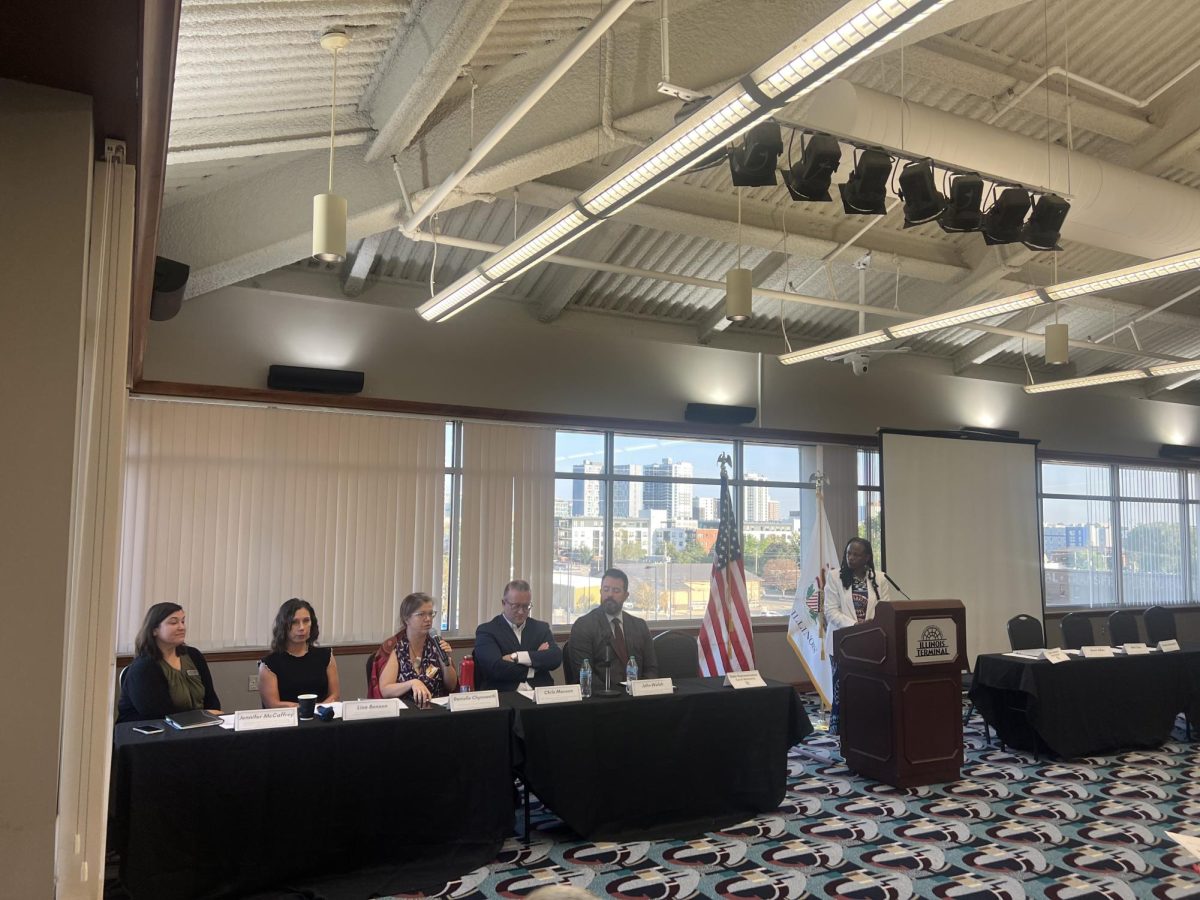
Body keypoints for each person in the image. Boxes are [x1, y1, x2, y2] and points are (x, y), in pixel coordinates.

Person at [824, 537, 892, 734]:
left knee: (869, 689)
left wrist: (873, 624)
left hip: (871, 643)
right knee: (844, 689)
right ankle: (843, 731)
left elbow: (885, 608)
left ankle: (868, 729)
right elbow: (830, 611)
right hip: (843, 642)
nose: (851, 558)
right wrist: (855, 625)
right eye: (848, 553)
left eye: (856, 554)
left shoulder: (880, 578)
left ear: (867, 558)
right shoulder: (835, 577)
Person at [116, 602, 221, 723]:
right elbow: (157, 714)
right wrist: (203, 716)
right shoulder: (143, 667)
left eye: (183, 621)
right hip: (153, 730)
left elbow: (211, 700)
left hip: (198, 726)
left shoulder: (194, 655)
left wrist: (210, 718)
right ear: (154, 630)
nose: (182, 627)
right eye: (173, 622)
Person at [568, 567, 657, 681]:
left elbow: (651, 669)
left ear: (626, 596)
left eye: (616, 591)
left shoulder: (639, 626)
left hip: (638, 690)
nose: (610, 594)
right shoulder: (584, 626)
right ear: (600, 592)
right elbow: (585, 674)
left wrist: (642, 689)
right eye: (606, 589)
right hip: (602, 691)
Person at [474, 579, 562, 691]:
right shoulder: (487, 631)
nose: (521, 611)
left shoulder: (541, 628)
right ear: (503, 603)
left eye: (526, 606)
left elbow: (555, 657)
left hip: (541, 693)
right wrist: (535, 665)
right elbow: (495, 668)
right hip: (506, 694)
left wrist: (516, 657)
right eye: (515, 606)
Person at [258, 598, 339, 707]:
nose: (302, 628)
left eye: (306, 621)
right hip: (288, 717)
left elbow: (335, 695)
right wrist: (307, 710)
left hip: (322, 715)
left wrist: (318, 710)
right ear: (283, 626)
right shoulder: (269, 664)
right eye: (294, 622)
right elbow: (273, 704)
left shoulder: (326, 656)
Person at [378, 591, 458, 703]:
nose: (428, 619)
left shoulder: (436, 644)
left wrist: (446, 662)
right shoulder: (396, 647)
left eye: (430, 614)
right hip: (405, 709)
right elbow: (386, 690)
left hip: (435, 707)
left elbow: (451, 686)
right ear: (406, 619)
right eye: (421, 614)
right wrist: (412, 683)